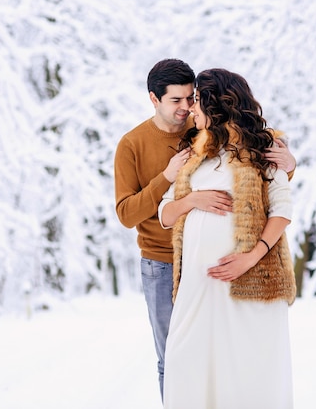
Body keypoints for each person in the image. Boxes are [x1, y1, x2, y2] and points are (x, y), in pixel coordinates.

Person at [113, 59, 296, 400]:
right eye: (177, 101)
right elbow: (136, 212)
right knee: (176, 358)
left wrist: (291, 165)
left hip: (233, 274)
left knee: (231, 361)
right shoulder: (142, 145)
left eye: (191, 99)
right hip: (168, 264)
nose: (186, 109)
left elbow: (272, 196)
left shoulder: (209, 138)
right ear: (154, 99)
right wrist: (180, 188)